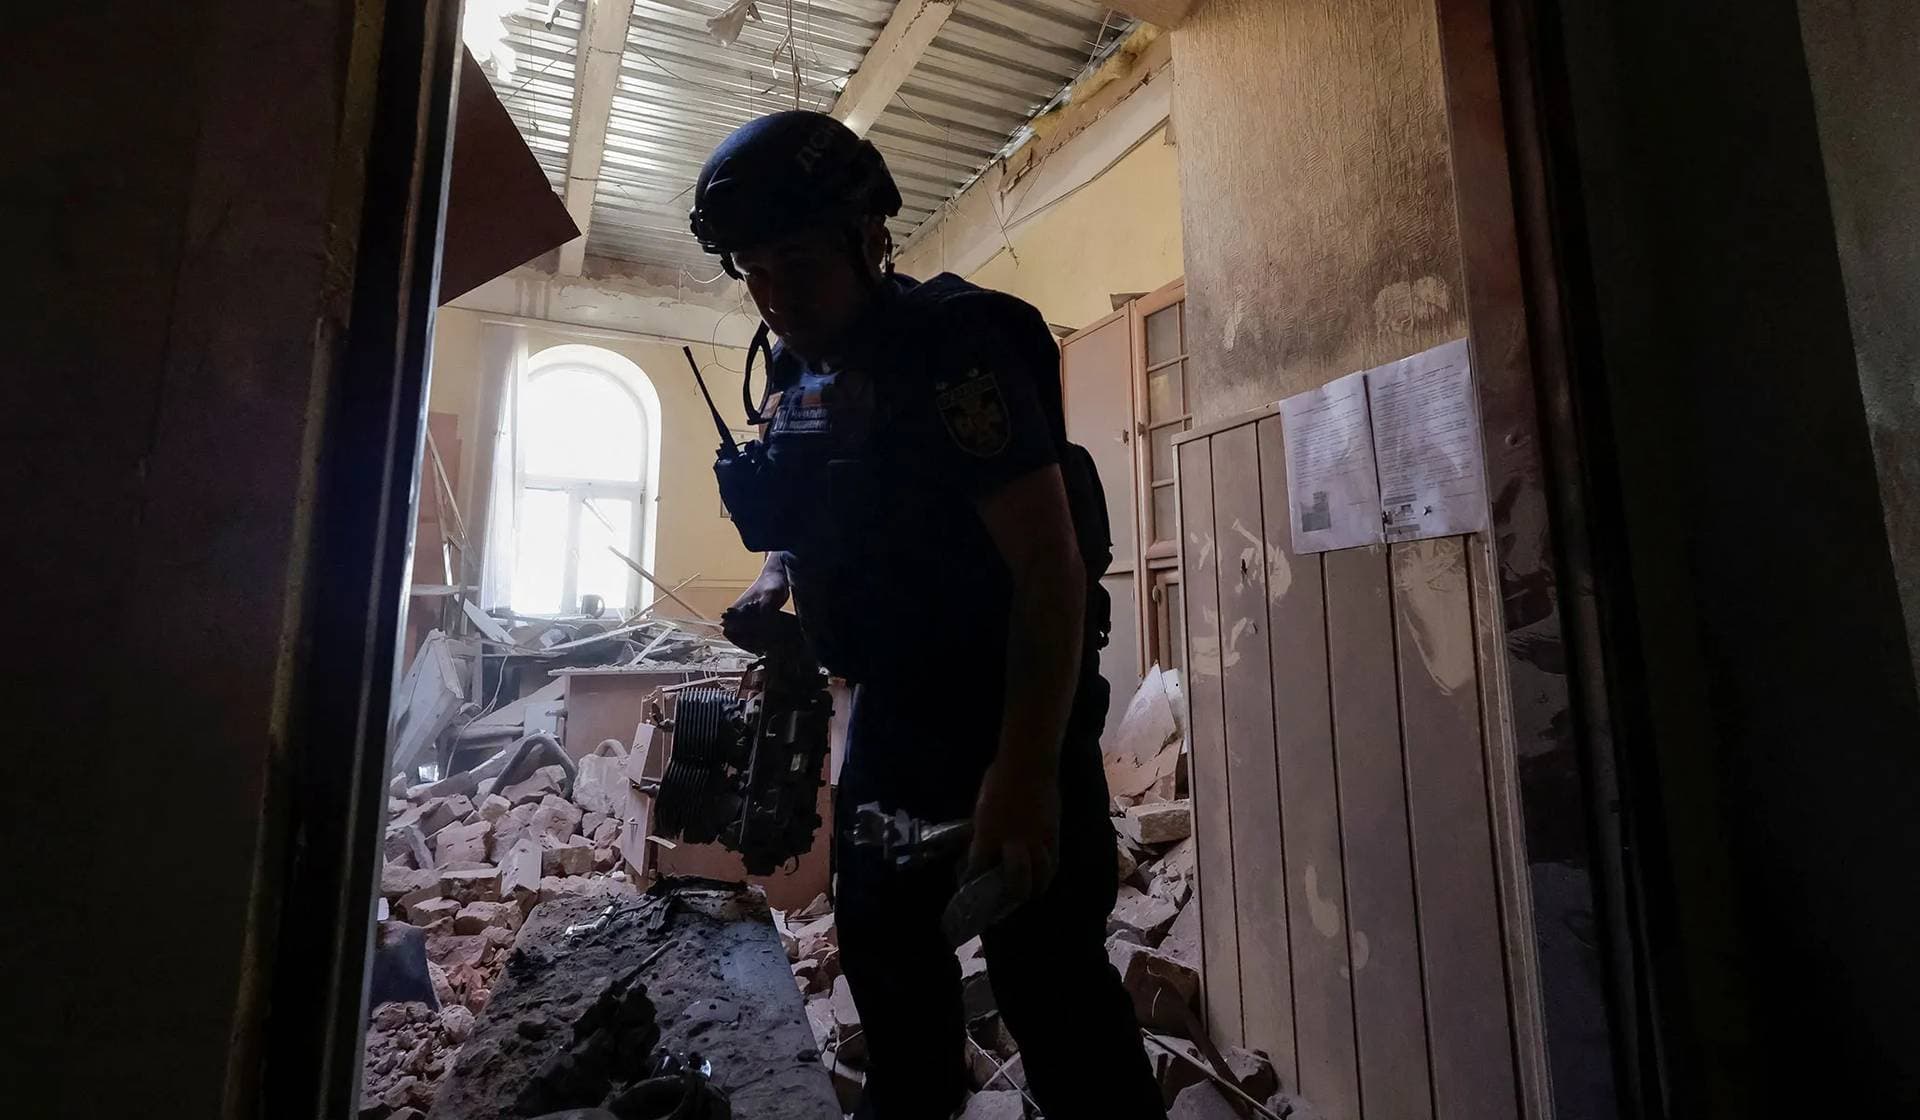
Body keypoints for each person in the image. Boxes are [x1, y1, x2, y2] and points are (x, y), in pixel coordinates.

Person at [689, 111, 1167, 1120]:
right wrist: (776, 583)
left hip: (1011, 716)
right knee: (894, 994)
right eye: (751, 272)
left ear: (871, 241)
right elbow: (821, 504)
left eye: (797, 265)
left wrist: (1027, 777)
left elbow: (1050, 565)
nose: (774, 299)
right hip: (896, 724)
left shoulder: (958, 347)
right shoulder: (799, 364)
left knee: (1056, 999)